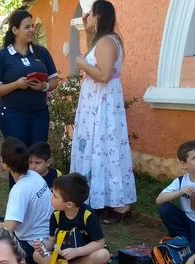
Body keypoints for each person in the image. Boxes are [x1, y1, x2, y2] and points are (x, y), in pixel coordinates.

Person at [70, 0, 136, 224]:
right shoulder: (101, 40)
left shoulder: (108, 41)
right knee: (96, 150)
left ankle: (119, 204)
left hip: (103, 103)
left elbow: (104, 75)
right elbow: (95, 59)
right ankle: (99, 199)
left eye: (91, 14)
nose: (88, 17)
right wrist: (88, 32)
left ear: (99, 16)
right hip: (95, 101)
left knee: (103, 149)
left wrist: (81, 63)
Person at [0, 9, 58, 149]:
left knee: (38, 156)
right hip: (13, 115)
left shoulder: (41, 53)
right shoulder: (2, 57)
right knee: (17, 158)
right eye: (27, 27)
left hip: (40, 114)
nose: (32, 29)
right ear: (15, 30)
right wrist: (16, 85)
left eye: (32, 26)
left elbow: (54, 81)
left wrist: (44, 86)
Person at [32, 173, 110, 264]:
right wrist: (43, 245)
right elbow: (51, 241)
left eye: (55, 195)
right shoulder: (56, 216)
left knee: (103, 255)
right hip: (63, 256)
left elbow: (99, 243)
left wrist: (77, 252)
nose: (51, 198)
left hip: (84, 255)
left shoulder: (88, 215)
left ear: (69, 204)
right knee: (36, 255)